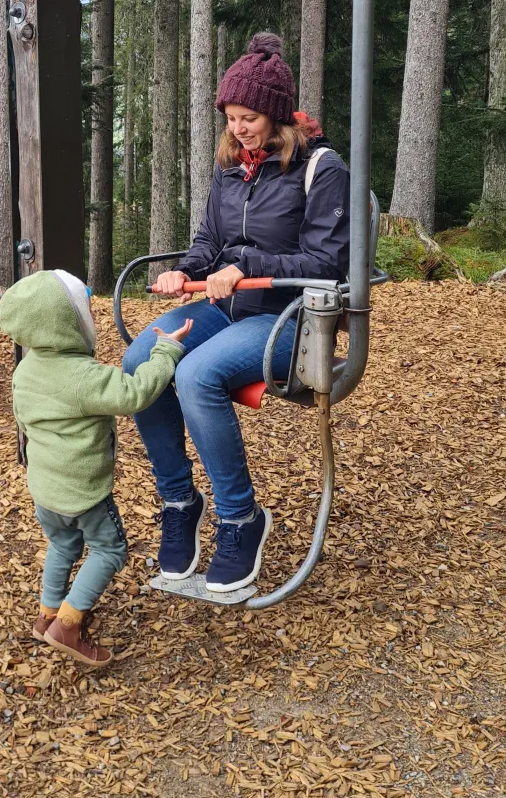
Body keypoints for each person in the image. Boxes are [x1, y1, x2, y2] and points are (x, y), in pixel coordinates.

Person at [122, 32, 350, 593]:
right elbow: (209, 242)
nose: (238, 127)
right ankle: (179, 501)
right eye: (230, 116)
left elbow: (327, 262)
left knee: (196, 375)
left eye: (249, 116)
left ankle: (241, 519)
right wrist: (185, 269)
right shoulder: (231, 168)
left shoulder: (320, 168)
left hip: (287, 317)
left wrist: (245, 263)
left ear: (276, 114)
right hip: (226, 306)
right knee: (137, 362)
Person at [0, 269, 193, 668]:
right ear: (68, 323)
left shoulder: (25, 371)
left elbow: (22, 422)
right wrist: (166, 352)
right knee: (109, 549)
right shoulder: (83, 377)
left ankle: (47, 613)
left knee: (63, 544)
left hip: (45, 489)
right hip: (84, 493)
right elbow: (134, 393)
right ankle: (68, 624)